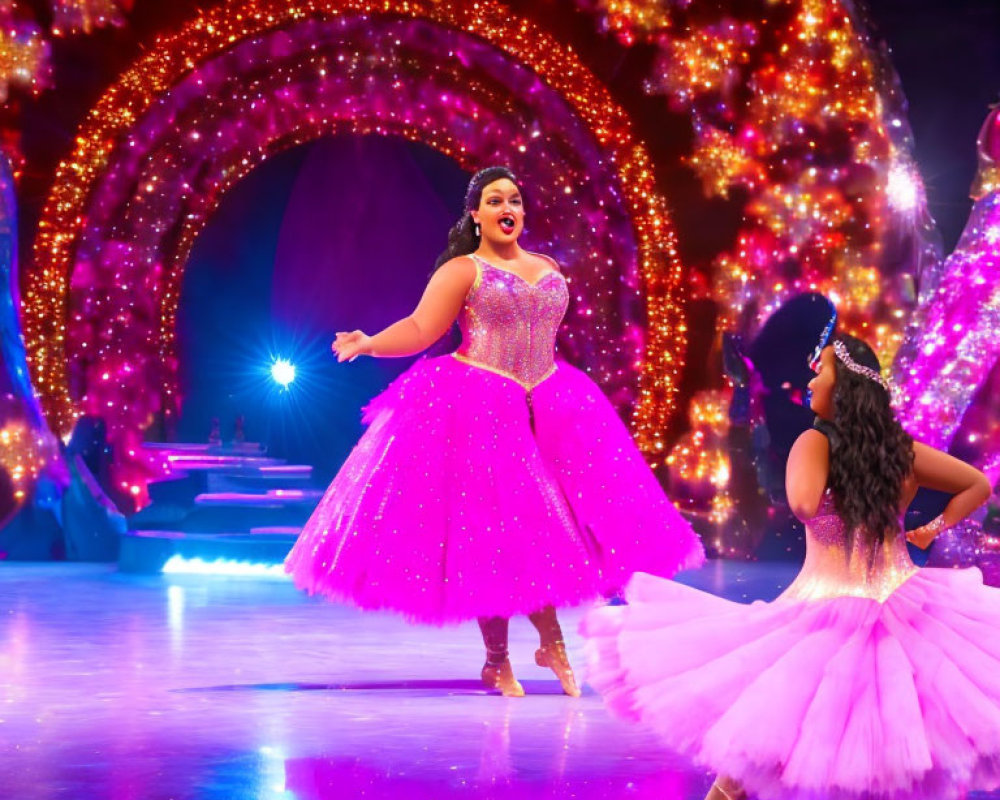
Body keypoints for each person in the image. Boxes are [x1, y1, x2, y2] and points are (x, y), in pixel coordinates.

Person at [284, 166, 704, 697]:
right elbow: (420, 329)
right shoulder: (463, 271)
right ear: (476, 215)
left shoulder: (548, 267)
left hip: (552, 406)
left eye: (515, 199)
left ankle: (532, 650)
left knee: (544, 530)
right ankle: (507, 657)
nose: (508, 207)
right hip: (477, 408)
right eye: (494, 199)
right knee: (493, 535)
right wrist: (369, 343)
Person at [583, 332, 998, 799]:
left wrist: (818, 457)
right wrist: (927, 531)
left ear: (842, 387)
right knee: (889, 749)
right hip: (902, 608)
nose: (810, 379)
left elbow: (802, 504)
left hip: (823, 615)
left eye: (820, 369)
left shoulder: (815, 442)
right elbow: (977, 485)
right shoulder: (900, 452)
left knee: (763, 750)